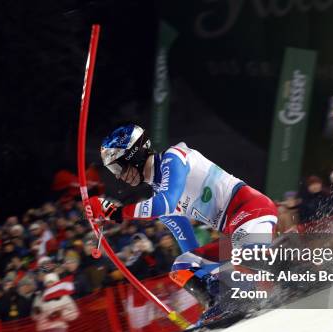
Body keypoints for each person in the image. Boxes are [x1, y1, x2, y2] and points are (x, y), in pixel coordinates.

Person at [90, 124, 278, 311]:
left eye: (118, 167)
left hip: (252, 210)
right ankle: (219, 308)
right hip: (235, 231)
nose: (118, 177)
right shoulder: (159, 197)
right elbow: (192, 250)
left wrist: (117, 213)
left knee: (243, 262)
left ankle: (278, 291)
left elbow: (166, 203)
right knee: (183, 265)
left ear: (134, 154)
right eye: (113, 171)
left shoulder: (174, 156)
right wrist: (210, 282)